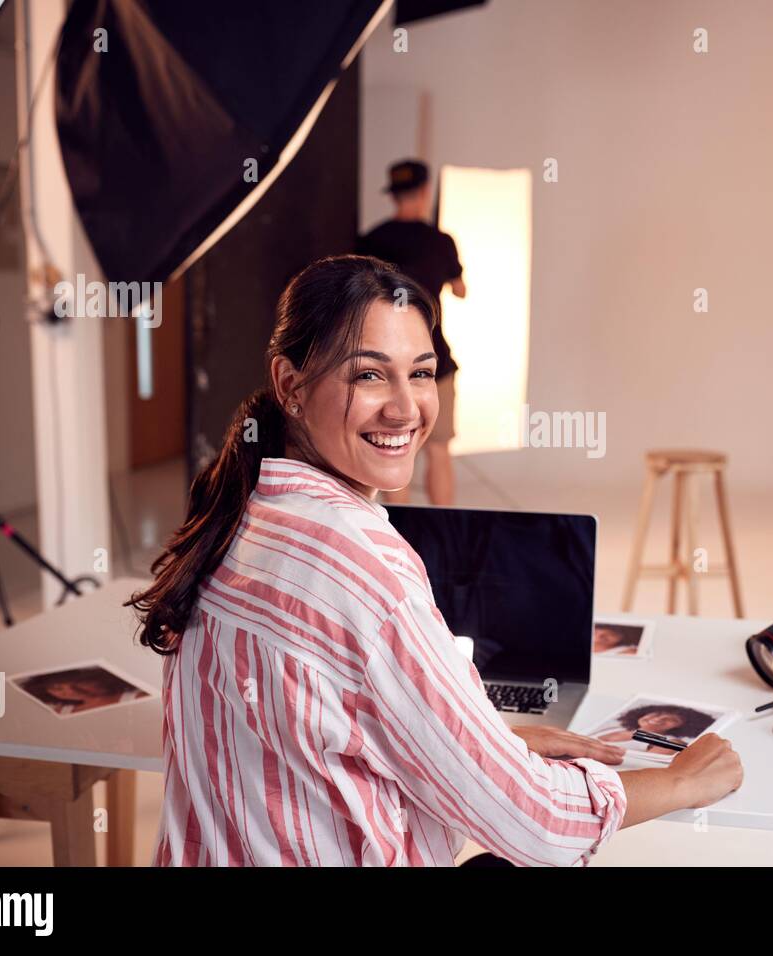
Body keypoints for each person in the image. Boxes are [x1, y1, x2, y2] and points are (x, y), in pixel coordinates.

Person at [128, 256, 742, 866]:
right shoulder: (365, 570)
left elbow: (298, 738)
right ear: (290, 384)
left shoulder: (236, 515)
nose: (405, 409)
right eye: (369, 376)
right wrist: (682, 782)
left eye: (421, 374)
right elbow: (541, 826)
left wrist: (483, 745)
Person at [356, 159, 465, 506]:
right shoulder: (440, 241)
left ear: (393, 195)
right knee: (439, 450)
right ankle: (443, 537)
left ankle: (399, 543)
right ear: (425, 191)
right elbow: (461, 289)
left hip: (385, 365)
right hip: (434, 360)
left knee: (394, 454)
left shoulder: (370, 240)